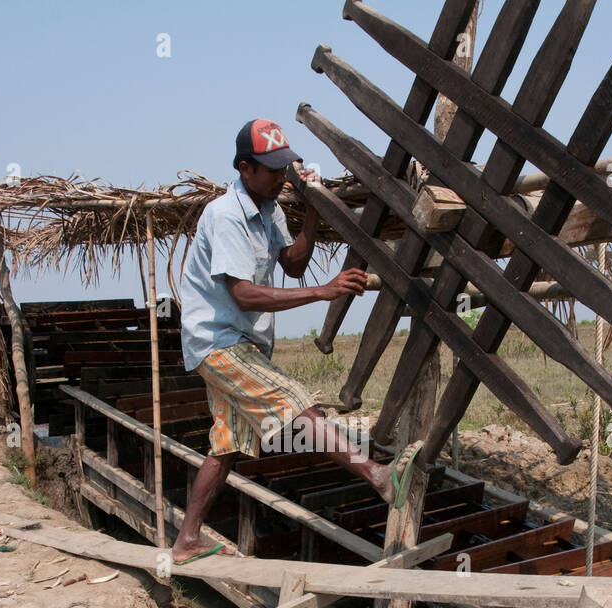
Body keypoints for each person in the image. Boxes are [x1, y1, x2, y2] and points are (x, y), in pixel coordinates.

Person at [171, 118, 423, 564]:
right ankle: (376, 474)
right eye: (271, 170)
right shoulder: (226, 216)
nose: (281, 177)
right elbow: (244, 293)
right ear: (245, 168)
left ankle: (187, 539)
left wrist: (312, 207)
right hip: (218, 342)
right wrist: (325, 291)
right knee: (295, 400)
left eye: (285, 168)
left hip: (241, 343)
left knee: (226, 444)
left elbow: (292, 263)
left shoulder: (267, 210)